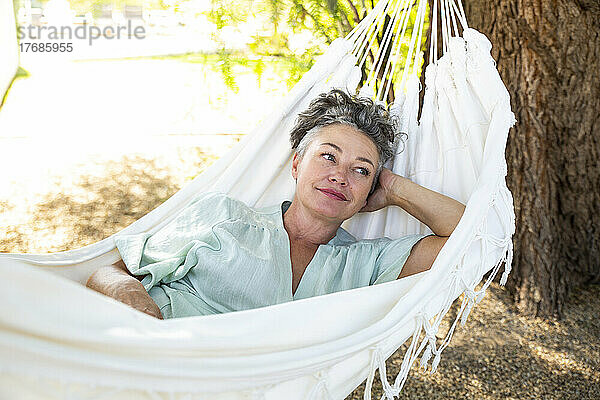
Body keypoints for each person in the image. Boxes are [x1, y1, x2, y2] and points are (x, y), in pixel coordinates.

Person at [86, 89, 465, 319]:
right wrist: (132, 298)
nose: (340, 176)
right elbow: (108, 272)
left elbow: (471, 238)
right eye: (328, 157)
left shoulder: (364, 263)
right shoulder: (223, 216)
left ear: (370, 191)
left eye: (361, 171)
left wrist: (395, 188)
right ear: (297, 164)